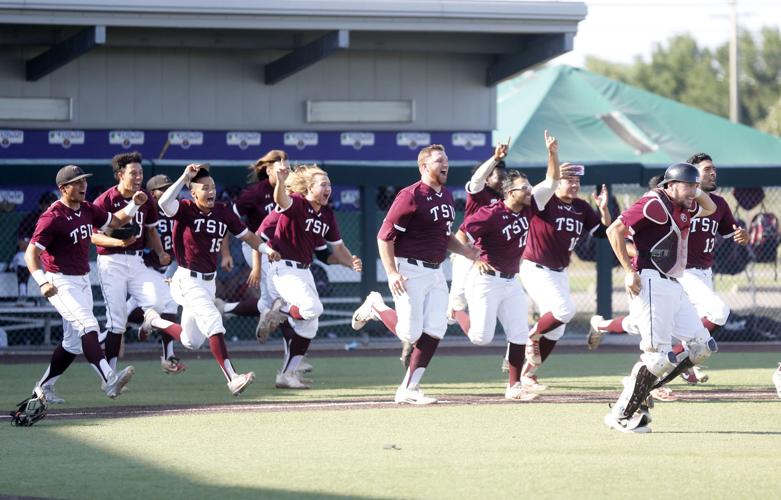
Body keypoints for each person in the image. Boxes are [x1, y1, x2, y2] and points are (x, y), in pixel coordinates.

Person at [588, 154, 748, 387]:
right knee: (716, 313)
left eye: (699, 181)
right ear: (675, 182)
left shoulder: (695, 206)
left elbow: (717, 215)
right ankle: (643, 389)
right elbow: (620, 233)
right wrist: (630, 269)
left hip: (692, 274)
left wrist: (697, 190)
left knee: (661, 330)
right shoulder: (659, 204)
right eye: (703, 171)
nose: (712, 173)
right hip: (667, 275)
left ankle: (603, 326)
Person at [354, 144, 478, 405]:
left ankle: (409, 389)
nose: (445, 164)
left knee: (435, 328)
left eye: (446, 160)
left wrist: (467, 252)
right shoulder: (410, 195)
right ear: (424, 166)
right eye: (438, 161)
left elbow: (444, 237)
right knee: (410, 334)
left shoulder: (444, 196)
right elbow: (383, 237)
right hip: (408, 269)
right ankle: (376, 306)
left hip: (435, 271)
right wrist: (391, 273)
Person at [455, 130, 571, 400]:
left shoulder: (529, 207)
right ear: (510, 191)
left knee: (519, 333)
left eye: (530, 187)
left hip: (511, 280)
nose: (530, 191)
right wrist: (473, 256)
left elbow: (553, 181)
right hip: (486, 279)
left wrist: (552, 153)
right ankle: (456, 309)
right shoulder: (489, 213)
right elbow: (461, 235)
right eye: (525, 188)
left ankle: (514, 387)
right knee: (480, 337)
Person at [603, 162, 717, 433]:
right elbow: (613, 231)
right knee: (657, 358)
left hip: (674, 285)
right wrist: (629, 271)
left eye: (695, 185)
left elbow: (710, 208)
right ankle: (622, 414)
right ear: (670, 185)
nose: (693, 191)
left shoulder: (685, 205)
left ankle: (641, 389)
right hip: (651, 281)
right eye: (688, 185)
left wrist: (694, 189)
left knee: (702, 347)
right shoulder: (654, 202)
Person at [25, 165, 142, 403]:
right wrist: (41, 281)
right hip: (60, 283)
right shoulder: (52, 218)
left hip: (82, 280)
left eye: (84, 181)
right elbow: (30, 254)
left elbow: (115, 221)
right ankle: (109, 379)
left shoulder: (87, 209)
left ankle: (43, 387)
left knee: (72, 344)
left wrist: (135, 204)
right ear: (63, 188)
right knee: (89, 326)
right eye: (76, 182)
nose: (83, 186)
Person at [157, 164, 262, 395]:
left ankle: (153, 320)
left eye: (213, 187)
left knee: (192, 341)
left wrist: (265, 248)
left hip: (208, 281)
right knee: (214, 321)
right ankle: (233, 378)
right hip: (187, 278)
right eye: (204, 187)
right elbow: (164, 203)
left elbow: (247, 236)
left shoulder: (223, 211)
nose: (210, 191)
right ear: (193, 192)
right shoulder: (184, 208)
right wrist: (185, 176)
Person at [262, 164, 362, 389]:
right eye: (323, 184)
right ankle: (281, 311)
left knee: (310, 327)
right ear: (308, 187)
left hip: (304, 271)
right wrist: (280, 180)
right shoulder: (297, 202)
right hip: (283, 268)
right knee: (313, 308)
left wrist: (350, 262)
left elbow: (338, 248)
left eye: (329, 184)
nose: (329, 188)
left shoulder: (326, 213)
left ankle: (286, 375)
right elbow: (281, 199)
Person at [518, 161, 612, 390]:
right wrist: (553, 161)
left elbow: (603, 232)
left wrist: (603, 209)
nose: (574, 184)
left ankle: (528, 375)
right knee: (565, 310)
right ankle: (531, 337)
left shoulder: (581, 207)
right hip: (535, 267)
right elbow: (544, 185)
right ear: (557, 182)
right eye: (569, 180)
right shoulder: (544, 201)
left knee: (558, 328)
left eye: (577, 180)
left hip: (559, 272)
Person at [92, 152, 185, 377]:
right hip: (111, 261)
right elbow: (93, 237)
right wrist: (118, 241)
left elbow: (151, 229)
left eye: (140, 173)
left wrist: (161, 251)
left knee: (163, 300)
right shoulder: (105, 200)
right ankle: (111, 373)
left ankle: (148, 323)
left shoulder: (145, 197)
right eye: (133, 173)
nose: (138, 177)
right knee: (116, 321)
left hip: (136, 260)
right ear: (120, 175)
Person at [123, 173, 187, 373]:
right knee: (123, 315)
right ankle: (100, 339)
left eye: (171, 188)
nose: (170, 192)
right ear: (152, 193)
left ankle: (168, 357)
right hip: (147, 270)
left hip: (171, 271)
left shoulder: (178, 209)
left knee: (170, 311)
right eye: (164, 189)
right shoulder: (146, 211)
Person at [447, 143, 507, 333]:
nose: (504, 179)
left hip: (489, 254)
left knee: (476, 297)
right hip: (467, 250)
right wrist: (495, 159)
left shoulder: (507, 199)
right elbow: (477, 178)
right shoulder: (480, 192)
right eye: (500, 175)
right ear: (488, 178)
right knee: (458, 300)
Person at [10, 191, 58, 303]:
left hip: (47, 256)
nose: (50, 207)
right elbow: (22, 245)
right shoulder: (31, 219)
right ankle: (23, 295)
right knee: (23, 258)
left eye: (53, 204)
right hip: (29, 255)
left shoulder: (60, 219)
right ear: (41, 205)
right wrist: (42, 249)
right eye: (47, 204)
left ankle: (48, 298)